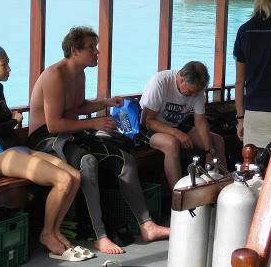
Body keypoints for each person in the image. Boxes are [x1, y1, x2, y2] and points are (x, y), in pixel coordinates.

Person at [28, 26, 169, 254]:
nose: (97, 52)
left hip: (69, 135)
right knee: (88, 162)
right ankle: (99, 236)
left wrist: (105, 103)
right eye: (92, 48)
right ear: (75, 50)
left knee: (124, 161)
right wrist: (93, 124)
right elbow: (54, 124)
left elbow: (78, 107)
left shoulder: (79, 73)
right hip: (45, 139)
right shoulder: (54, 76)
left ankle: (147, 225)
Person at [0, 44, 93, 261]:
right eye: (4, 64)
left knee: (75, 176)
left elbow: (3, 120)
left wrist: (12, 120)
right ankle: (47, 234)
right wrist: (15, 120)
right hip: (0, 155)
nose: (9, 68)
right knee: (62, 179)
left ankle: (54, 231)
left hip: (19, 149)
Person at [139, 61, 227, 191]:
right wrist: (177, 134)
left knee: (217, 141)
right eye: (191, 92)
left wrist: (209, 151)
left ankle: (221, 187)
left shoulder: (197, 89)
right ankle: (179, 195)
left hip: (176, 124)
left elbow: (200, 122)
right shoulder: (160, 82)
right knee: (171, 144)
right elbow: (147, 121)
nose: (194, 95)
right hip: (150, 128)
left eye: (197, 92)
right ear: (181, 80)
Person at [234, 0, 271, 148]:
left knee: (253, 167)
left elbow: (239, 81)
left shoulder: (245, 30)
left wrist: (240, 118)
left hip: (254, 111)